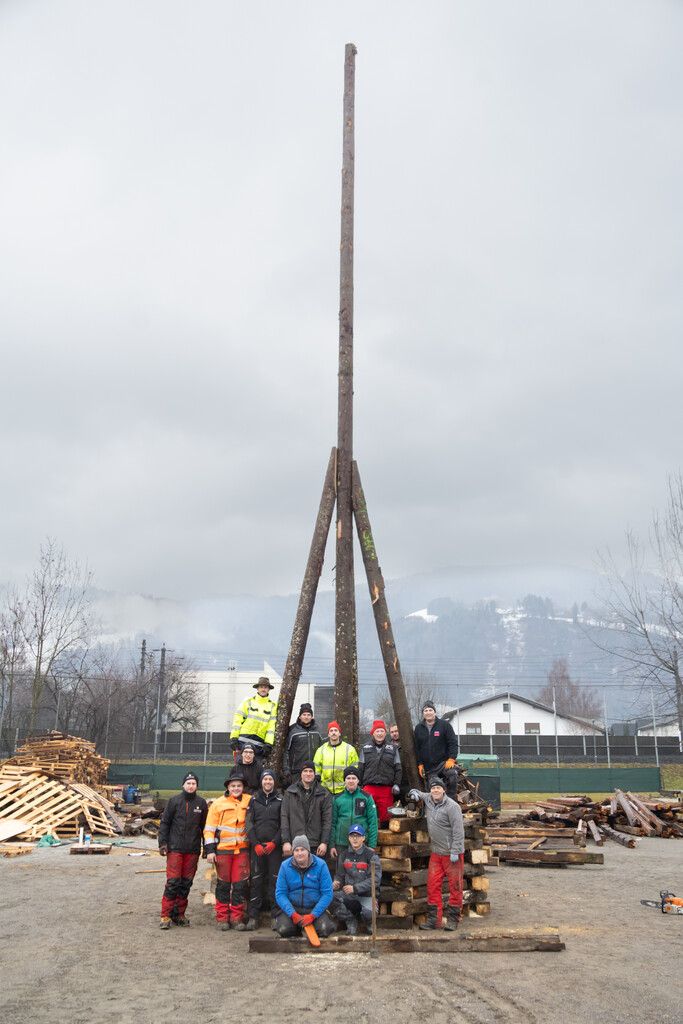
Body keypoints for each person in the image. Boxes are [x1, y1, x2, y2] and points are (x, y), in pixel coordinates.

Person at [408, 775, 465, 930]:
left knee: (455, 886)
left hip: (452, 854)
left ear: (444, 790)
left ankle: (453, 920)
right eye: (433, 788)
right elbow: (420, 793)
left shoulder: (453, 807)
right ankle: (435, 920)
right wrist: (415, 792)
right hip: (436, 853)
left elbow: (458, 831)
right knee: (432, 886)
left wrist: (455, 850)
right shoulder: (429, 799)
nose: (435, 790)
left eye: (438, 788)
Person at [158, 771, 208, 929]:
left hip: (192, 850)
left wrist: (207, 847)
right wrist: (163, 843)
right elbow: (165, 823)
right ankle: (165, 915)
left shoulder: (201, 803)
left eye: (194, 783)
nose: (191, 786)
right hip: (175, 849)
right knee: (173, 882)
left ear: (197, 786)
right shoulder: (174, 801)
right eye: (188, 783)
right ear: (183, 785)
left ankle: (179, 914)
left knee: (186, 883)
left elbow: (205, 828)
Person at [204, 769, 252, 930]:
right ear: (228, 787)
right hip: (223, 850)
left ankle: (237, 918)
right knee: (223, 885)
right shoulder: (218, 804)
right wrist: (210, 850)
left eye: (239, 785)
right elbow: (209, 828)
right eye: (233, 786)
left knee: (240, 885)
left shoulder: (250, 801)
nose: (236, 788)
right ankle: (222, 917)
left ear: (243, 787)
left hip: (243, 850)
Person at [274, 834, 336, 939]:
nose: (299, 853)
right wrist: (292, 914)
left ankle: (312, 925)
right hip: (293, 909)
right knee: (284, 930)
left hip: (314, 909)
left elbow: (327, 894)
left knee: (325, 929)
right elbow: (280, 894)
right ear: (292, 852)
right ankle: (297, 929)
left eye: (302, 849)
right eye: (296, 850)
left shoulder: (321, 865)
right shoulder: (285, 866)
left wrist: (313, 915)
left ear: (308, 850)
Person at [244, 768, 282, 931]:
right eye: (265, 779)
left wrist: (275, 842)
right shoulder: (253, 800)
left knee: (275, 881)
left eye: (270, 780)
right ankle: (253, 916)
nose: (268, 782)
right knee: (256, 880)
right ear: (261, 782)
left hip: (275, 848)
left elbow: (284, 824)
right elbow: (249, 823)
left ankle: (275, 916)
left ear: (274, 782)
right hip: (257, 848)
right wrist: (255, 843)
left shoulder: (281, 799)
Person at [332, 824, 382, 934]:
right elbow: (340, 875)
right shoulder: (343, 855)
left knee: (369, 913)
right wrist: (336, 882)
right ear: (349, 838)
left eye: (358, 836)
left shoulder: (371, 856)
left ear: (363, 838)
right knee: (330, 898)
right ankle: (350, 920)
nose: (355, 839)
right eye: (352, 836)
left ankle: (369, 923)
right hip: (349, 896)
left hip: (367, 895)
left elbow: (375, 880)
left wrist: (355, 888)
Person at [281, 761, 332, 857]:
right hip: (295, 844)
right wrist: (286, 841)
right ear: (301, 773)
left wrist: (324, 842)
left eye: (311, 771)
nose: (308, 774)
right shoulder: (290, 792)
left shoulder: (324, 793)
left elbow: (327, 820)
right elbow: (284, 818)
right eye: (305, 771)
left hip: (316, 845)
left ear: (314, 773)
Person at [358, 719, 402, 825]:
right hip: (369, 787)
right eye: (377, 731)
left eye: (382, 731)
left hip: (386, 788)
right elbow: (360, 768)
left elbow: (398, 768)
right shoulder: (365, 748)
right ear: (373, 733)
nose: (380, 733)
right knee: (364, 815)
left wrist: (396, 784)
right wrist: (359, 785)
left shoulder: (393, 749)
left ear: (385, 733)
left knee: (386, 817)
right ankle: (366, 839)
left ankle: (386, 839)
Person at [413, 700, 459, 798]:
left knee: (452, 775)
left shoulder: (444, 725)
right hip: (429, 768)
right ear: (423, 713)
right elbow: (417, 748)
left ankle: (451, 802)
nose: (428, 712)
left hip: (443, 764)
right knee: (433, 789)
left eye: (430, 710)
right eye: (426, 710)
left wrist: (451, 759)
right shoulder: (418, 728)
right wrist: (420, 764)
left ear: (435, 712)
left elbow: (453, 743)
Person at [330, 766, 378, 858]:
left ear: (358, 780)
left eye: (353, 778)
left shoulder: (367, 797)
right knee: (341, 871)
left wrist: (372, 845)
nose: (351, 781)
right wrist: (332, 845)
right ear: (344, 780)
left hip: (362, 844)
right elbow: (333, 823)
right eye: (348, 778)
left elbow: (373, 822)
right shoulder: (337, 799)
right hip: (341, 844)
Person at [230, 675, 278, 760]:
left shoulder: (273, 706)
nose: (263, 689)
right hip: (242, 741)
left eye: (266, 687)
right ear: (257, 688)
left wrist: (268, 744)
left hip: (259, 744)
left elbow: (271, 727)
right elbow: (238, 719)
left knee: (256, 771)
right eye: (261, 687)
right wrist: (234, 737)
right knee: (240, 770)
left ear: (268, 689)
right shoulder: (248, 702)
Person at [313, 721, 359, 797]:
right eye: (331, 731)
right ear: (328, 734)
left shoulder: (350, 749)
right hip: (325, 791)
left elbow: (355, 768)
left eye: (336, 730)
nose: (333, 733)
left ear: (339, 733)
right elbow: (316, 768)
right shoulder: (321, 750)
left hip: (345, 791)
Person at [283, 702, 324, 785]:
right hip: (296, 771)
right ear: (300, 716)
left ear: (312, 717)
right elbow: (286, 751)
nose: (306, 717)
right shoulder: (293, 730)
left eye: (309, 715)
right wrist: (286, 770)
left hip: (313, 771)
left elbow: (323, 750)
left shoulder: (317, 730)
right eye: (304, 714)